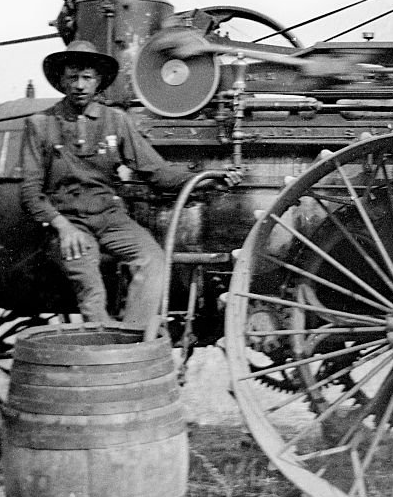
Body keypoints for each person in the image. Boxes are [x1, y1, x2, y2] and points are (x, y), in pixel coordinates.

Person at [20, 39, 239, 331]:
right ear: (61, 80)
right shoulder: (40, 124)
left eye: (87, 77)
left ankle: (133, 335)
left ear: (98, 82)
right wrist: (63, 227)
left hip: (111, 219)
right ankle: (103, 352)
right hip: (70, 222)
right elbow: (30, 193)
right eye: (72, 77)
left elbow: (157, 172)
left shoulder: (116, 121)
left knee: (153, 261)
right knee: (92, 289)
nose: (80, 85)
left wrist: (211, 177)